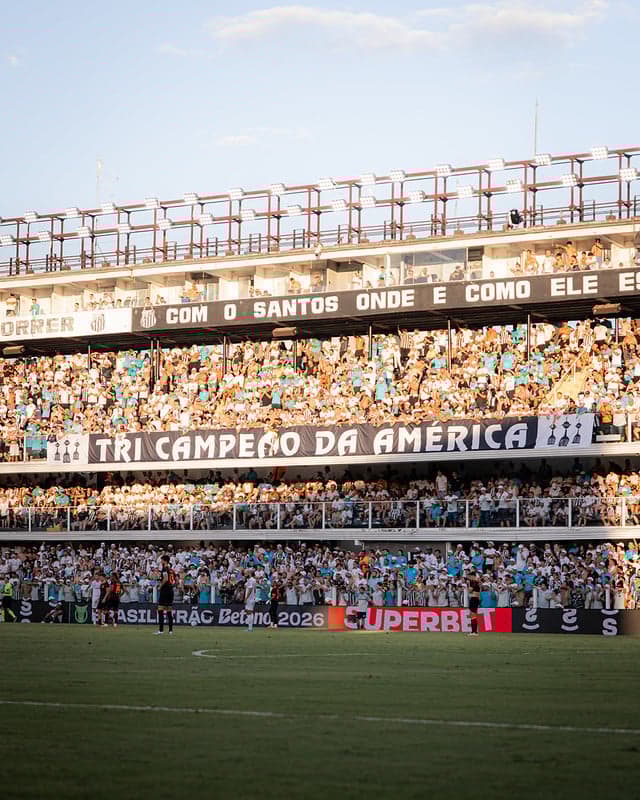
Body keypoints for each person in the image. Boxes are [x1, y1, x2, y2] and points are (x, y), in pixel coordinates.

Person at [155, 555, 176, 635]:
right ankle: (170, 631)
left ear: (165, 561)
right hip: (171, 591)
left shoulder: (165, 568)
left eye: (161, 560)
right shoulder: (171, 570)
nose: (161, 562)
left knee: (160, 610)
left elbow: (166, 579)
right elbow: (175, 580)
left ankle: (161, 630)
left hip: (165, 591)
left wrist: (160, 586)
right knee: (169, 612)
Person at [468, 570, 481, 636]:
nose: (469, 578)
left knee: (473, 615)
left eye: (469, 576)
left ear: (473, 576)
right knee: (472, 615)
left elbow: (470, 590)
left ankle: (474, 632)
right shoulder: (477, 582)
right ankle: (473, 631)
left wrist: (468, 586)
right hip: (475, 599)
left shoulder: (473, 582)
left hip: (474, 599)